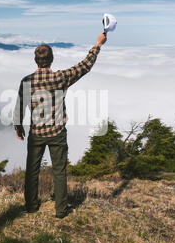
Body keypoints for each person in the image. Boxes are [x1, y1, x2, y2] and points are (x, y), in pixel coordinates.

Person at [13, 32, 107, 219]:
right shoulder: (60, 78)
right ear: (52, 59)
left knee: (32, 171)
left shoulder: (27, 81)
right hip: (57, 132)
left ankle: (31, 206)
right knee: (59, 171)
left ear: (35, 60)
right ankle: (61, 210)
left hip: (36, 133)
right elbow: (84, 66)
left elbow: (19, 106)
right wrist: (98, 44)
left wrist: (18, 127)